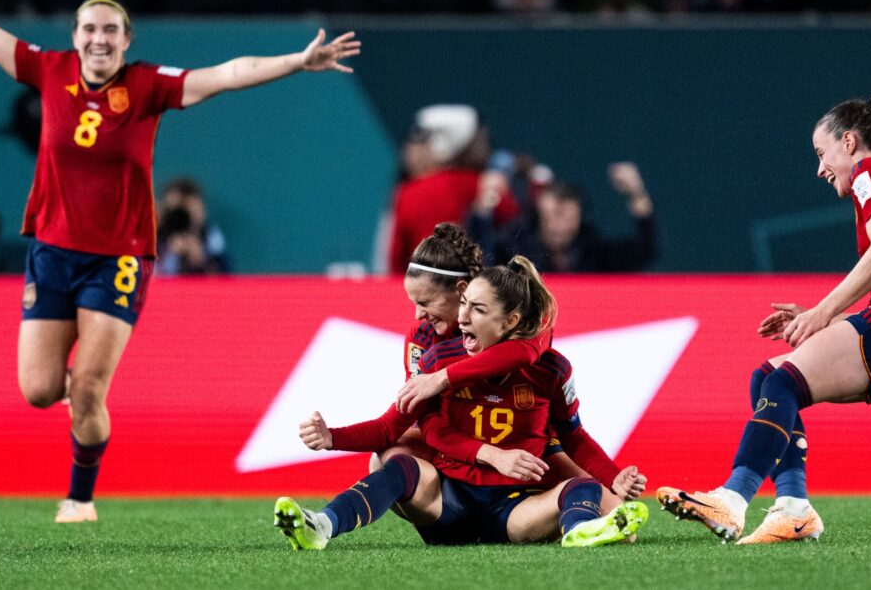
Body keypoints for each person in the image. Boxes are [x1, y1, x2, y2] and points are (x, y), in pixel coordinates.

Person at [0, 0, 359, 523]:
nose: (99, 39)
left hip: (118, 260)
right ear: (75, 37)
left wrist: (297, 61)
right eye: (90, 29)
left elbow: (228, 72)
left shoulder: (148, 86)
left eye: (110, 31)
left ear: (127, 40)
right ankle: (77, 404)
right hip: (51, 251)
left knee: (90, 390)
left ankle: (80, 496)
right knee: (39, 389)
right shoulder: (48, 71)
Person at [657, 94, 871, 544]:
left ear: (850, 142)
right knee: (770, 377)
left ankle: (733, 499)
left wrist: (824, 313)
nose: (820, 169)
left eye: (822, 153)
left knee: (780, 382)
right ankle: (793, 509)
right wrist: (823, 318)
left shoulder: (870, 171)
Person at [278, 256, 648, 549]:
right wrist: (332, 437)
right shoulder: (436, 356)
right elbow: (391, 426)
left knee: (583, 492)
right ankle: (321, 526)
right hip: (448, 501)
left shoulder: (551, 368)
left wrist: (615, 476)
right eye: (465, 305)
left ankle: (580, 533)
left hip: (514, 508)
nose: (463, 317)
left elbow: (575, 437)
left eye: (478, 310)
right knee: (396, 466)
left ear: (511, 321)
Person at [385, 105, 518, 274]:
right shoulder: (484, 185)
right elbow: (516, 230)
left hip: (420, 291)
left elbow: (395, 258)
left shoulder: (407, 192)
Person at [469, 162, 656, 272]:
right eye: (551, 216)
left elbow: (645, 249)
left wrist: (637, 193)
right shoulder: (515, 250)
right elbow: (480, 259)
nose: (558, 225)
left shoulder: (593, 251)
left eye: (567, 217)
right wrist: (483, 208)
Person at [156, 178, 230, 275]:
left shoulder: (209, 235)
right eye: (175, 213)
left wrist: (199, 259)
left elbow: (225, 274)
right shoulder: (153, 236)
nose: (180, 218)